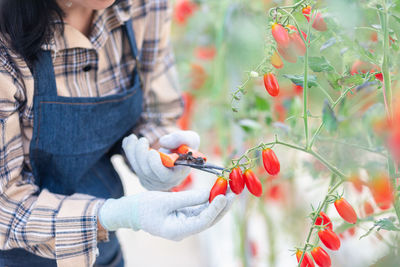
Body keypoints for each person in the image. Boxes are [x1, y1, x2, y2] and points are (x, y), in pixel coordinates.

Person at [0, 0, 235, 266]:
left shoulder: (143, 6)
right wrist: (116, 215)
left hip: (103, 251)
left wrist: (159, 147)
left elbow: (156, 110)